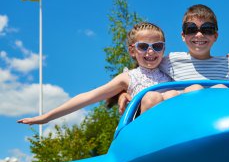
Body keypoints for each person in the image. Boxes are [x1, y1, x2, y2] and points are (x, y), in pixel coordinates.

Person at [17, 22, 208, 125]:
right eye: (143, 47)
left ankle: (200, 136)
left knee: (195, 88)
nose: (151, 52)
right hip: (144, 131)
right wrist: (46, 117)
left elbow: (203, 64)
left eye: (157, 46)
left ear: (164, 49)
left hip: (175, 124)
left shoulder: (171, 67)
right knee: (151, 97)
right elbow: (89, 97)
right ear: (132, 50)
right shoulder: (130, 77)